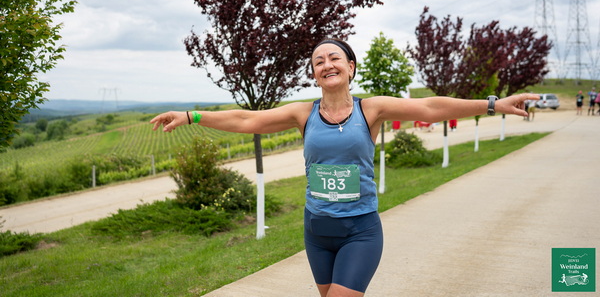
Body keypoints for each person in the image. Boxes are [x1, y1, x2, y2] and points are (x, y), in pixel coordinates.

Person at [150, 39, 537, 297]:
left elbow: (431, 107)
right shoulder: (303, 114)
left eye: (334, 58)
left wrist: (493, 104)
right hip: (317, 231)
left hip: (360, 232)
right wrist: (192, 115)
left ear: (350, 67)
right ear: (314, 74)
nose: (327, 64)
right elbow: (247, 119)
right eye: (318, 61)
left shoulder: (372, 109)